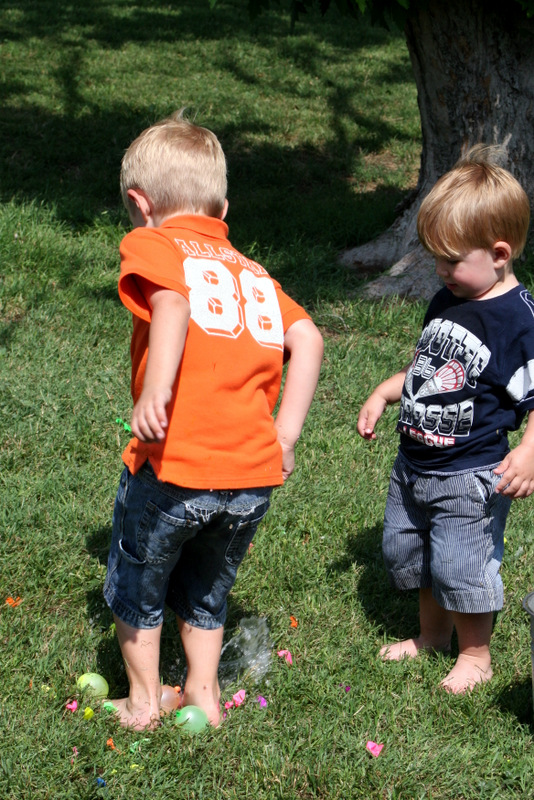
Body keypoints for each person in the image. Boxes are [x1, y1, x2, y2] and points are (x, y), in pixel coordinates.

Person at [103, 111, 324, 729]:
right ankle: (204, 696)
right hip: (252, 476)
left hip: (178, 463)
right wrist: (286, 435)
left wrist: (157, 390)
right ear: (222, 211)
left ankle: (143, 702)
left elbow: (170, 302)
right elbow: (307, 339)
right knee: (206, 590)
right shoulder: (253, 271)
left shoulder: (154, 242)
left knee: (139, 583)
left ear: (139, 203)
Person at [357, 145, 534, 694]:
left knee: (463, 565)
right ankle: (431, 638)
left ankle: (475, 656)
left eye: (451, 259)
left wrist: (528, 450)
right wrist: (387, 392)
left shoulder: (518, 321)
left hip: (471, 475)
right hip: (414, 462)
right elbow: (428, 363)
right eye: (435, 258)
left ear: (499, 252)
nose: (440, 271)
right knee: (413, 553)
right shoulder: (448, 296)